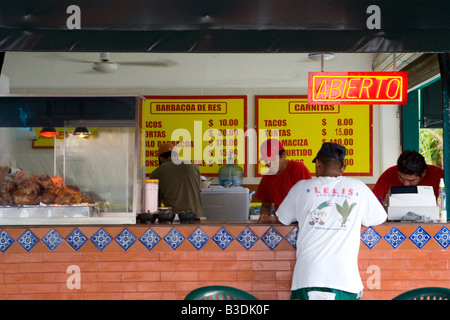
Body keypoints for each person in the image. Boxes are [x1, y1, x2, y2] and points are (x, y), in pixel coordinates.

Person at [276, 142, 387, 300]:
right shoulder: (359, 188)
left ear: (318, 163)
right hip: (344, 280)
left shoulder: (301, 188)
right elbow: (379, 217)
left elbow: (284, 218)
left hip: (308, 277)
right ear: (343, 168)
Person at [255, 139, 312, 223]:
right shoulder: (267, 178)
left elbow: (307, 204)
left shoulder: (298, 170)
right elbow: (266, 206)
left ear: (283, 155)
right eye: (266, 160)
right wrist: (265, 215)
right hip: (280, 228)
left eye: (273, 159)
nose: (269, 164)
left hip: (301, 225)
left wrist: (279, 219)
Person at [149, 143, 204, 218]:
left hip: (173, 218)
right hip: (197, 216)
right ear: (177, 156)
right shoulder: (193, 167)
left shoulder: (156, 172)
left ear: (161, 159)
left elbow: (154, 205)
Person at [372, 150, 444, 204]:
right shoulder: (389, 174)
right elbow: (373, 204)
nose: (405, 184)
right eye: (401, 177)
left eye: (411, 180)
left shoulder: (439, 176)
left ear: (423, 173)